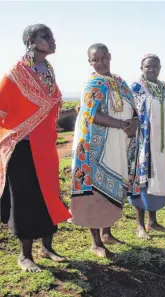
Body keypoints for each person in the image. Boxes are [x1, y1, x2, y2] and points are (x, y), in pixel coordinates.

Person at [0, 24, 71, 272]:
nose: (53, 41)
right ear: (31, 41)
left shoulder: (48, 70)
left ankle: (48, 247)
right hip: (22, 148)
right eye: (46, 37)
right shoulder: (15, 72)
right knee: (25, 199)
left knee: (48, 194)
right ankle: (24, 255)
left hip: (46, 146)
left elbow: (54, 101)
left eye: (52, 36)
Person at [69, 43, 139, 259]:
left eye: (103, 58)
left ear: (110, 56)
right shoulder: (92, 84)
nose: (100, 63)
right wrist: (122, 124)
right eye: (94, 60)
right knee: (96, 191)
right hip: (96, 147)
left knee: (115, 187)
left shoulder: (120, 82)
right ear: (89, 62)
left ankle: (107, 233)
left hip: (118, 144)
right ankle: (96, 242)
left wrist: (135, 121)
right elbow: (92, 115)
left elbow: (134, 107)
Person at [129, 54, 165, 240]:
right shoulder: (136, 89)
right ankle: (140, 225)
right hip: (143, 144)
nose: (152, 69)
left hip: (162, 146)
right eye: (148, 66)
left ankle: (153, 221)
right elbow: (131, 114)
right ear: (141, 68)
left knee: (158, 179)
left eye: (156, 66)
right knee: (143, 182)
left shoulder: (164, 89)